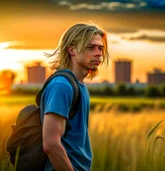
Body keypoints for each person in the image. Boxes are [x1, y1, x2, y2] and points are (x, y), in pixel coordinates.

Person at [40, 22, 110, 171]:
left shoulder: (79, 86)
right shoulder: (62, 86)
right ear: (72, 50)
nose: (98, 53)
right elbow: (51, 144)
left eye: (100, 48)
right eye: (91, 47)